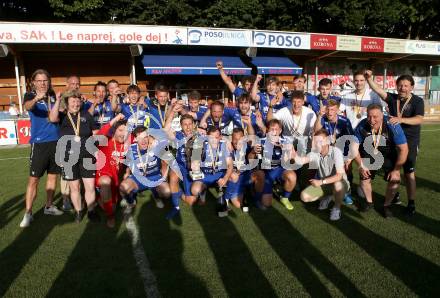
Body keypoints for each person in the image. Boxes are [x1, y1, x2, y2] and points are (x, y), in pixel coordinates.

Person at [365, 71, 423, 215]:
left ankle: (411, 203)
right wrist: (369, 78)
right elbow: (377, 90)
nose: (403, 88)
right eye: (400, 85)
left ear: (411, 87)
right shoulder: (392, 98)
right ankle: (394, 195)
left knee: (409, 173)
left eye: (406, 85)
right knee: (391, 169)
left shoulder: (417, 101)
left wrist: (401, 119)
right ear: (397, 86)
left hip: (409, 142)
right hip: (393, 142)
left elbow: (419, 119)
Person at [20, 69, 63, 228]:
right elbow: (28, 107)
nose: (43, 83)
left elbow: (55, 118)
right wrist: (37, 98)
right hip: (39, 144)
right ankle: (28, 213)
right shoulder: (30, 96)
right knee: (34, 180)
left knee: (53, 177)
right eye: (39, 81)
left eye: (45, 80)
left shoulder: (52, 97)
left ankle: (49, 206)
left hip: (55, 142)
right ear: (33, 82)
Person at [49, 90, 100, 223]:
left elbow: (95, 132)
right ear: (67, 103)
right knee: (74, 187)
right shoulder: (62, 115)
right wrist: (58, 99)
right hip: (68, 157)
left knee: (90, 186)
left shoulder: (86, 115)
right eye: (73, 101)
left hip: (87, 156)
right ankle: (78, 211)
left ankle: (91, 211)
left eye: (78, 101)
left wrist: (96, 149)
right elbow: (52, 118)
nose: (76, 103)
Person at [353, 104, 408, 217]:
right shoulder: (362, 125)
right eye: (369, 116)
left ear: (382, 116)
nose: (371, 120)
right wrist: (361, 165)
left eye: (375, 117)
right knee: (364, 177)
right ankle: (369, 202)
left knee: (395, 179)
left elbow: (404, 149)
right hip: (370, 153)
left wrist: (396, 170)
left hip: (388, 154)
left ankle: (387, 205)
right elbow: (353, 147)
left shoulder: (392, 125)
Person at [297, 129, 350, 221]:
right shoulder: (315, 153)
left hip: (340, 184)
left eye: (319, 141)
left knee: (337, 185)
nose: (316, 144)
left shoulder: (336, 151)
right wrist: (292, 155)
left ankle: (336, 208)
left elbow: (339, 176)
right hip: (324, 184)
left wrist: (321, 182)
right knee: (304, 196)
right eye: (315, 141)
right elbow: (301, 161)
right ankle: (328, 196)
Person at [119, 126, 171, 215]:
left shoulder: (155, 146)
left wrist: (164, 177)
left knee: (167, 192)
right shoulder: (131, 149)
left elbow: (166, 158)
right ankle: (131, 202)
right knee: (123, 187)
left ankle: (156, 196)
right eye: (140, 138)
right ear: (135, 139)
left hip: (155, 177)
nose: (143, 141)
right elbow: (128, 163)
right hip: (138, 178)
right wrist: (127, 172)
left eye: (145, 137)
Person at [314, 99, 355, 204]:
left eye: (332, 109)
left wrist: (349, 158)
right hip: (328, 152)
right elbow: (316, 131)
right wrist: (319, 115)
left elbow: (352, 139)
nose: (329, 112)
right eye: (328, 109)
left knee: (347, 171)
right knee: (328, 171)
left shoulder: (344, 121)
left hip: (343, 151)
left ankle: (346, 192)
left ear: (337, 110)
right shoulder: (323, 119)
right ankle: (329, 192)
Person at [95, 114, 130, 228]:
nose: (123, 134)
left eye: (126, 131)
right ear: (114, 130)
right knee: (105, 182)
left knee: (114, 205)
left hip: (116, 179)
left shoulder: (128, 143)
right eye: (120, 130)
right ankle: (110, 217)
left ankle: (98, 198)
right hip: (103, 176)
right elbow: (98, 135)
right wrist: (114, 120)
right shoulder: (106, 140)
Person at [254, 119, 297, 210]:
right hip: (266, 172)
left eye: (276, 129)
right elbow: (256, 160)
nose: (274, 132)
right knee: (267, 203)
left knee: (292, 176)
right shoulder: (261, 141)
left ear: (280, 131)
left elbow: (292, 161)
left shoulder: (285, 141)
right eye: (271, 129)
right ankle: (257, 193)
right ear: (267, 130)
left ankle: (285, 198)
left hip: (279, 169)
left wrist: (290, 154)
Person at [164, 107, 197, 218]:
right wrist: (173, 112)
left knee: (191, 201)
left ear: (193, 125)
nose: (188, 127)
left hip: (193, 170)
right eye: (185, 124)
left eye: (189, 124)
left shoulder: (200, 136)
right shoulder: (178, 135)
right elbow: (166, 129)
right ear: (181, 126)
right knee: (173, 176)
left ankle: (179, 193)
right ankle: (175, 207)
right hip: (180, 166)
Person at [190, 127, 233, 209]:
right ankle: (203, 191)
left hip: (219, 174)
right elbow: (194, 163)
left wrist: (225, 178)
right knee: (195, 190)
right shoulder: (201, 145)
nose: (214, 140)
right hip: (205, 175)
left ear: (220, 137)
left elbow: (230, 165)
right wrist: (195, 164)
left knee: (233, 177)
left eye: (216, 137)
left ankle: (225, 199)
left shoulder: (224, 145)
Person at [224, 127, 265, 210]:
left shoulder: (248, 147)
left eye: (240, 139)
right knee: (238, 205)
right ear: (231, 138)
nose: (237, 142)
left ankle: (256, 200)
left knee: (260, 174)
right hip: (233, 179)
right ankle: (226, 198)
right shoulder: (227, 148)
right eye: (235, 139)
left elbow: (251, 159)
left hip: (246, 177)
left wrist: (253, 152)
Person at [266, 90, 316, 156]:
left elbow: (314, 132)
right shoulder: (284, 111)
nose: (296, 104)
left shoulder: (310, 113)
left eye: (299, 102)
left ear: (303, 102)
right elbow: (270, 122)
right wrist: (270, 107)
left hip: (303, 142)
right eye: (294, 102)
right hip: (287, 142)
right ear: (290, 102)